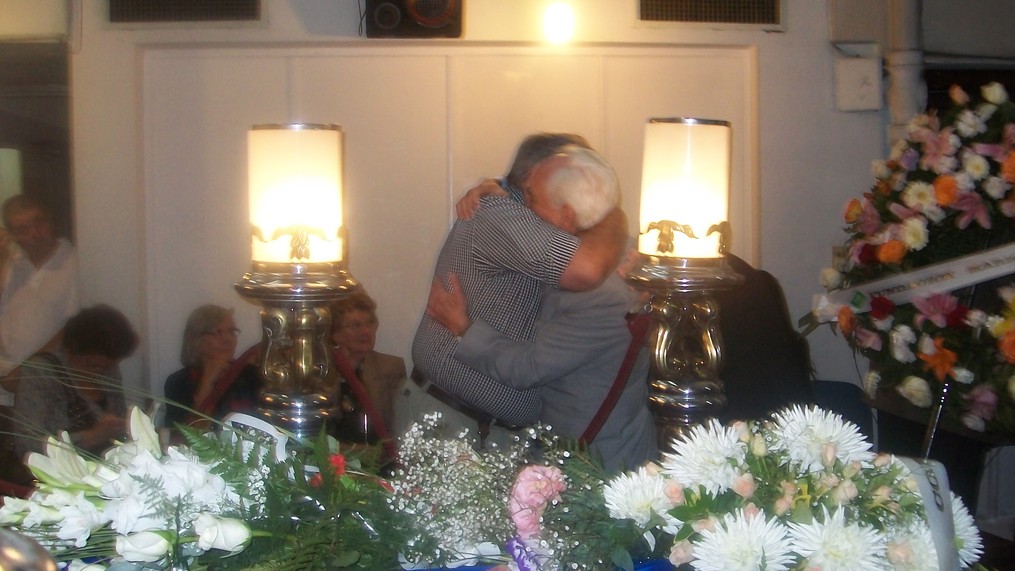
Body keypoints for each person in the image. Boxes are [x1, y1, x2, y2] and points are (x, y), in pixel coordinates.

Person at [409, 135, 627, 445]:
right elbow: (587, 269)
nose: (585, 190)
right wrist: (613, 212)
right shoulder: (501, 215)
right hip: (451, 421)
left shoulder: (539, 217)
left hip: (482, 428)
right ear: (533, 178)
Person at [426, 218, 657, 474]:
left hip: (602, 462)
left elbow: (527, 368)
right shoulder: (609, 259)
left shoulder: (604, 296)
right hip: (587, 449)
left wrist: (463, 328)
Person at [8, 304, 138, 459]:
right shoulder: (40, 372)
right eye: (92, 365)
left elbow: (120, 426)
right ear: (72, 349)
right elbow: (26, 444)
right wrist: (90, 437)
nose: (98, 372)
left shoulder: (109, 371)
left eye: (107, 366)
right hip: (60, 470)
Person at [0, 195, 79, 400]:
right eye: (23, 229)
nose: (34, 233)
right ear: (12, 234)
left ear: (50, 220)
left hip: (48, 381)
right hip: (5, 379)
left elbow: (74, 327)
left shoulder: (75, 262)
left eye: (39, 222)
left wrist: (29, 370)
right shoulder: (12, 262)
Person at [163, 305, 261, 433]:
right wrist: (206, 384)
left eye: (232, 332)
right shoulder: (179, 382)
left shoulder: (252, 375)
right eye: (218, 332)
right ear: (196, 339)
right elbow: (185, 435)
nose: (228, 339)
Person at [329, 290, 407, 445]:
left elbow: (398, 426)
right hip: (329, 455)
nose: (366, 331)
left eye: (370, 323)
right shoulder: (321, 370)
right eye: (355, 325)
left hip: (375, 456)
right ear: (336, 334)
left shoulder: (391, 368)